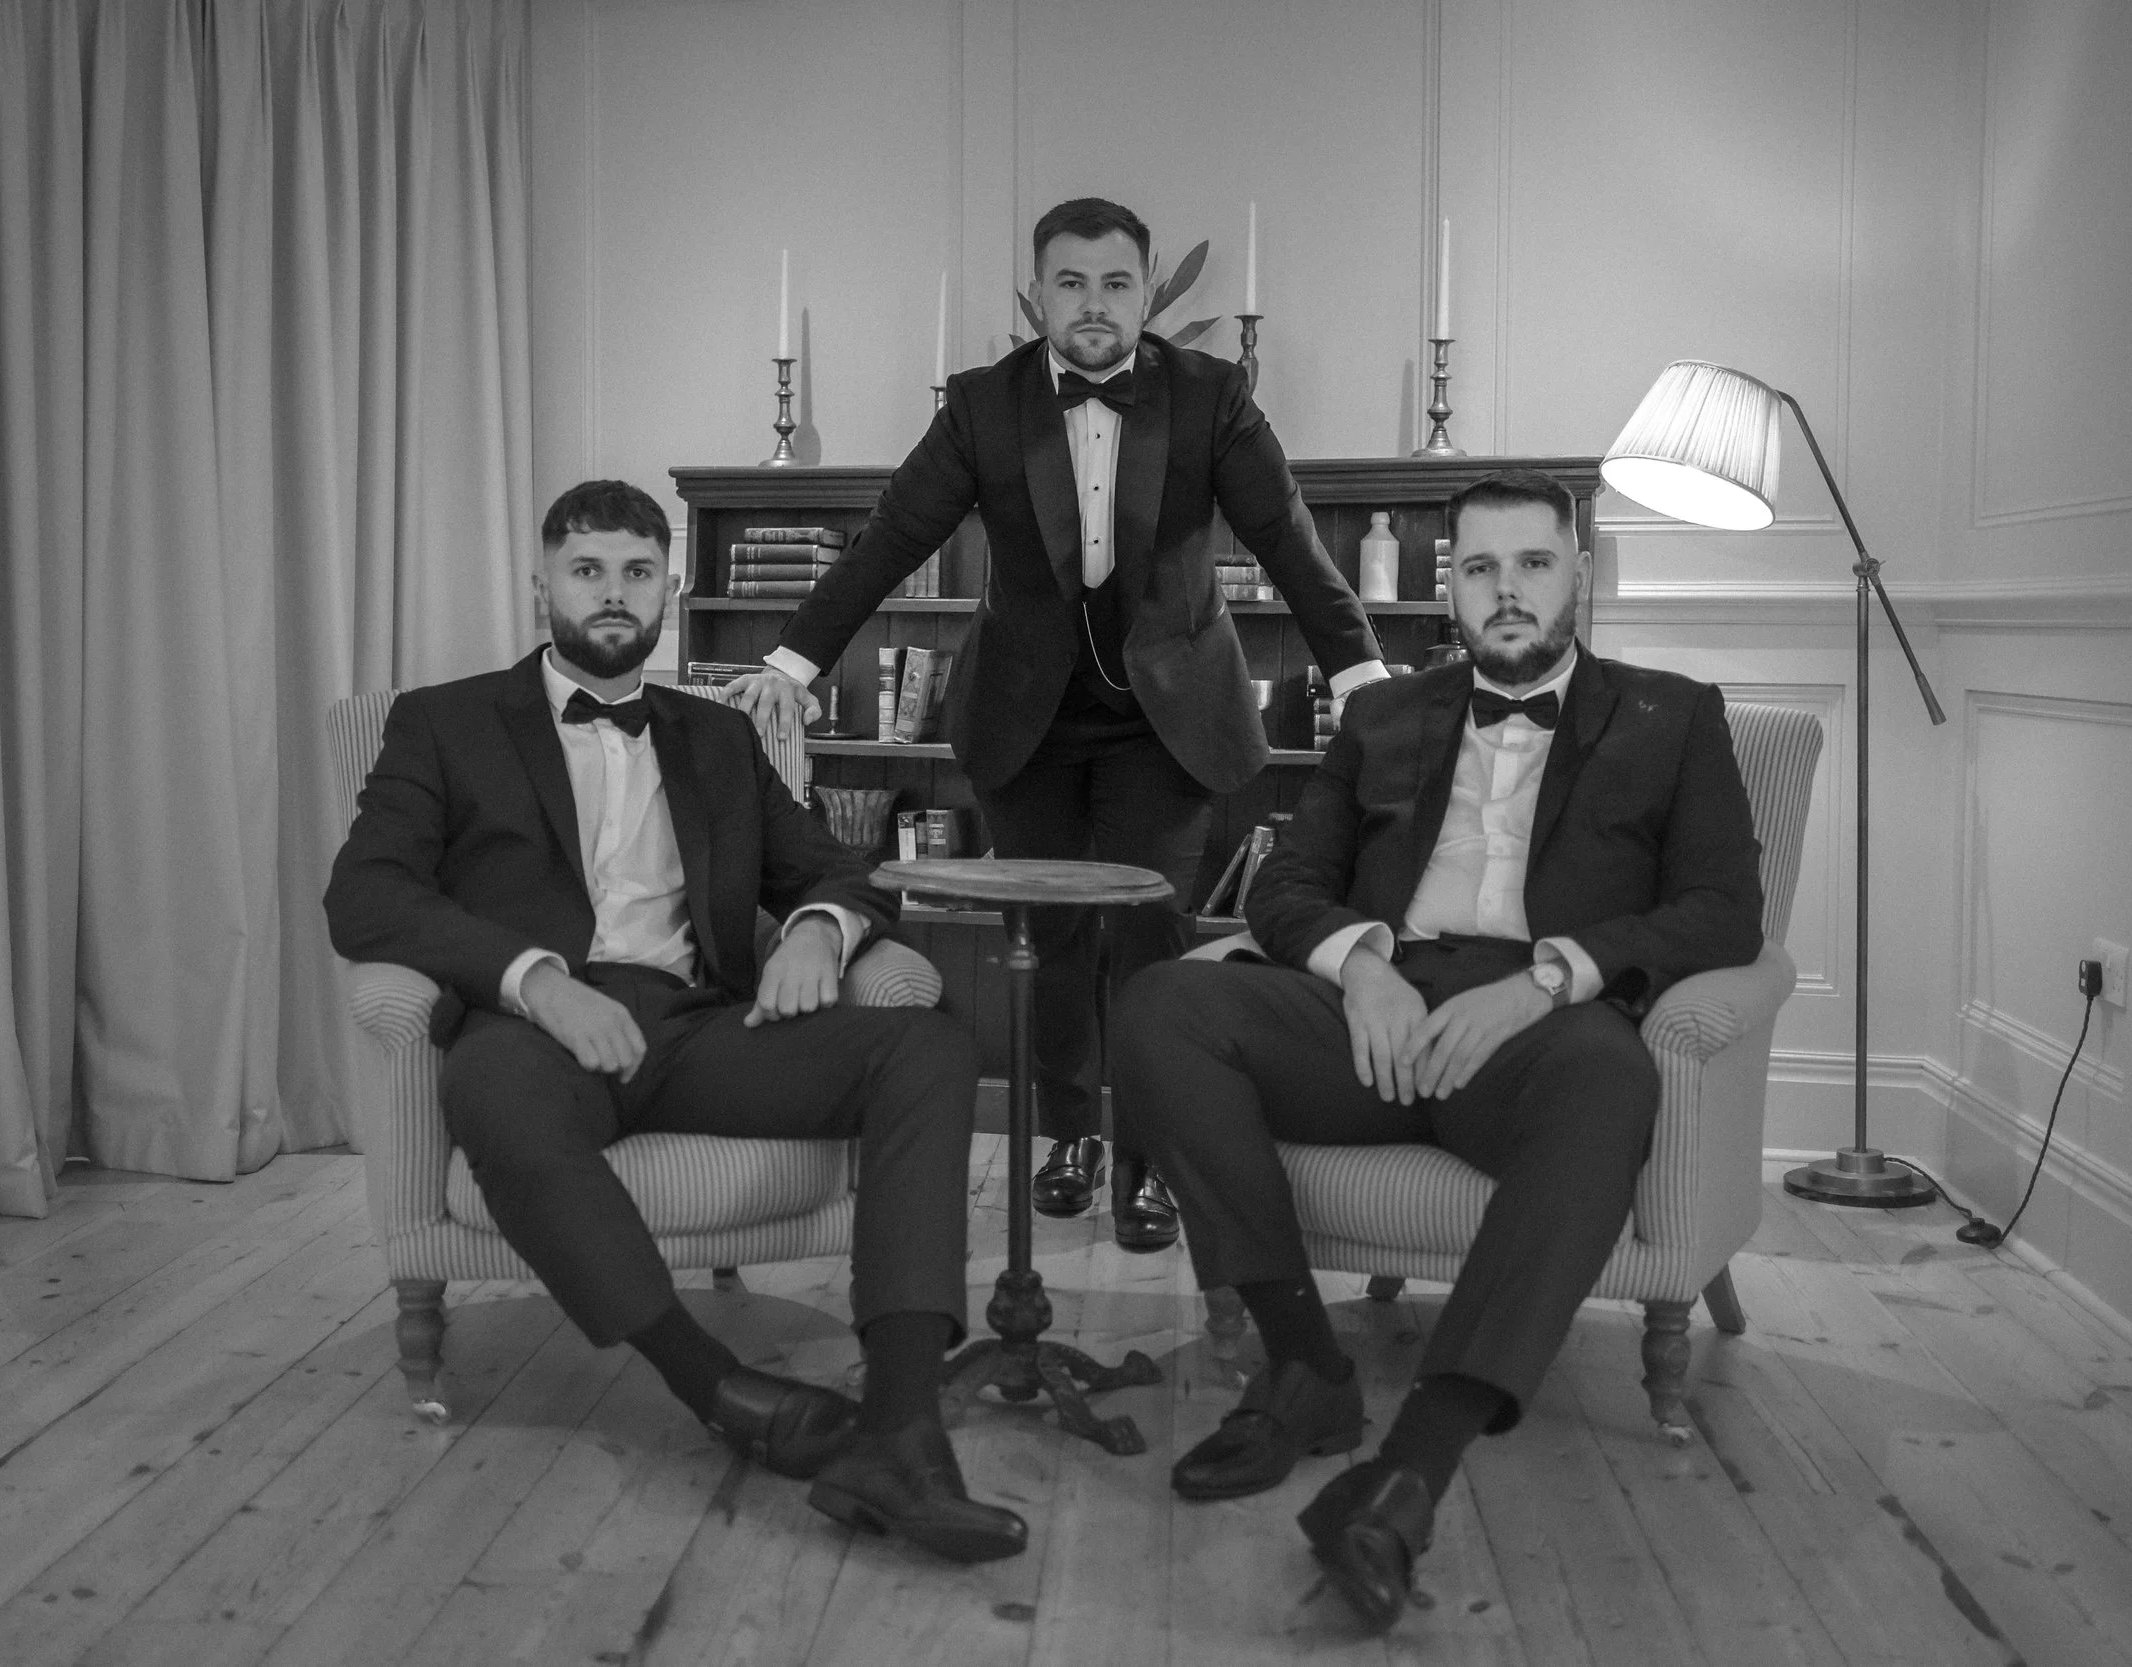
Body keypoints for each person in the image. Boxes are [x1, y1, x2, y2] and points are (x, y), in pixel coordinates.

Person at [1109, 468, 1764, 1630]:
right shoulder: (1381, 713)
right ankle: (1303, 1365)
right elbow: (1288, 885)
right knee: (1162, 1003)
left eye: (1533, 563)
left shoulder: (1673, 715)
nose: (1506, 590)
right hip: (1375, 1015)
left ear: (1578, 574)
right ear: (1446, 585)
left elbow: (1723, 910)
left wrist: (1548, 978)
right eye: (1478, 567)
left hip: (1533, 1030)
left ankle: (1406, 1474)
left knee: (1608, 1076)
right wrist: (1360, 965)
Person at [325, 480, 1024, 1565]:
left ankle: (901, 1426)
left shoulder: (719, 734)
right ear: (542, 586)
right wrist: (535, 981)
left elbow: (838, 867)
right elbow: (365, 892)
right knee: (489, 1086)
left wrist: (818, 931)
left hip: (699, 1027)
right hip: (538, 1029)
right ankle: (718, 1387)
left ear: (670, 586)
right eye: (587, 569)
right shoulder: (445, 721)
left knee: (927, 1043)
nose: (613, 592)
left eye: (637, 571)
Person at [732, 198, 1388, 1252]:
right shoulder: (981, 405)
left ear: (1146, 290)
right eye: (1071, 283)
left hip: (1167, 716)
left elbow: (1286, 536)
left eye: (1116, 283)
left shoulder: (1211, 396)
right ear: (1037, 294)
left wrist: (1359, 669)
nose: (1093, 304)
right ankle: (1071, 1137)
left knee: (1149, 935)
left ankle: (1151, 1157)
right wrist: (792, 660)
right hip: (1025, 712)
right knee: (1048, 935)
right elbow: (895, 533)